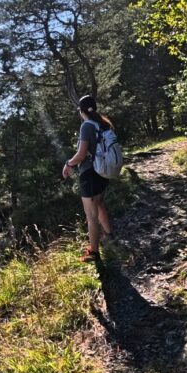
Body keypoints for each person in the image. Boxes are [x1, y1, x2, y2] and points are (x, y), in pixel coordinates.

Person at [62, 95, 113, 262]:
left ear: (81, 111)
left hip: (89, 173)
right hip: (103, 171)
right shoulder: (104, 124)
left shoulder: (86, 126)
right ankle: (109, 235)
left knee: (90, 215)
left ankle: (94, 252)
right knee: (99, 204)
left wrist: (68, 164)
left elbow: (81, 154)